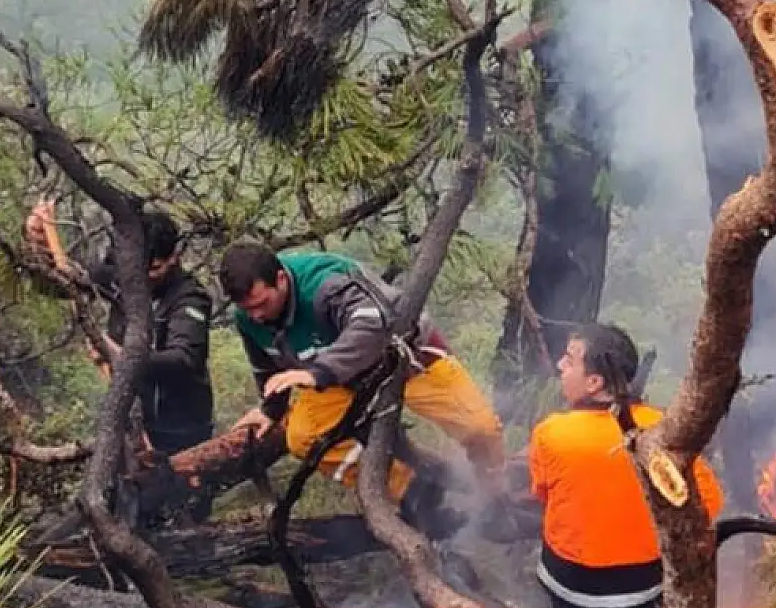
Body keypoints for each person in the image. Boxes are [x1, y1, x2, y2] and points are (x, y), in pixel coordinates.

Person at [218, 242, 506, 530]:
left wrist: (319, 372)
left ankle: (494, 487)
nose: (256, 315)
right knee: (304, 438)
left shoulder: (326, 284)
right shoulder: (248, 317)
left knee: (480, 427)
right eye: (247, 308)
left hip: (408, 359)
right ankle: (413, 491)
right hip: (342, 379)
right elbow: (265, 363)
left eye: (261, 304)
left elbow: (372, 325)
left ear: (280, 278)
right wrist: (271, 409)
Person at [528, 322, 724, 608]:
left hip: (571, 583)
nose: (560, 365)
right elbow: (709, 503)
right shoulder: (664, 430)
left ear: (593, 382)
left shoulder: (551, 432)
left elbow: (541, 493)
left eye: (569, 359)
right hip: (644, 582)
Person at [26, 201, 215, 457]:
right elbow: (57, 283)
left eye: (155, 269)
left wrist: (119, 355)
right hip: (129, 420)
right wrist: (38, 245)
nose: (145, 278)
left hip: (181, 433)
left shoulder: (190, 299)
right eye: (138, 269)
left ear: (174, 257)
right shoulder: (123, 277)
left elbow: (183, 360)